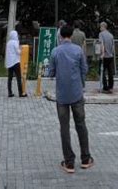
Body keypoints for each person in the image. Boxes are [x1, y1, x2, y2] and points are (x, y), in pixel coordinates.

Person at [49, 25, 94, 174]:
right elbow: (84, 69)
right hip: (77, 94)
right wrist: (81, 83)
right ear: (72, 36)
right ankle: (86, 159)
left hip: (62, 96)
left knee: (64, 128)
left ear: (61, 36)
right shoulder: (78, 50)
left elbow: (51, 72)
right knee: (81, 125)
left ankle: (69, 163)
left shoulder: (55, 51)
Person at [5, 30, 27, 98]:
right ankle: (20, 93)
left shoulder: (8, 43)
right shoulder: (15, 42)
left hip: (9, 63)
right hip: (15, 62)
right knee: (18, 78)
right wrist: (21, 49)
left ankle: (9, 93)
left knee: (10, 78)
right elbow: (18, 52)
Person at [98, 21, 115, 93]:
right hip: (110, 56)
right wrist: (112, 53)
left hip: (104, 56)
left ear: (103, 27)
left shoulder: (101, 34)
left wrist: (102, 54)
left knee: (101, 71)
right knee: (110, 72)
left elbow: (102, 44)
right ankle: (111, 86)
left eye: (100, 27)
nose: (100, 28)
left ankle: (105, 87)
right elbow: (113, 46)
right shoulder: (111, 35)